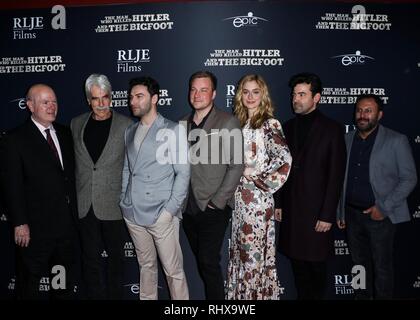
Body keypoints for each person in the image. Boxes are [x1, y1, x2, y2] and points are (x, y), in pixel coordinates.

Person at [0, 84, 79, 299]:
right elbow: (11, 186)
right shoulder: (15, 139)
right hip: (33, 233)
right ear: (30, 106)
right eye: (45, 102)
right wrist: (20, 223)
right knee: (28, 287)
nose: (51, 106)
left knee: (60, 284)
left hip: (64, 232)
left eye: (54, 101)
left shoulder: (64, 133)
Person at [273, 72, 346, 300]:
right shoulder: (286, 127)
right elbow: (281, 169)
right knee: (298, 269)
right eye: (294, 94)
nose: (296, 99)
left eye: (302, 94)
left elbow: (336, 175)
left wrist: (327, 214)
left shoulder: (332, 129)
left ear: (317, 98)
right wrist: (279, 203)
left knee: (316, 269)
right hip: (293, 212)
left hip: (317, 214)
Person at [337, 94, 417, 299]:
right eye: (359, 110)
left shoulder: (396, 140)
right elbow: (341, 179)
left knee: (382, 267)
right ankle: (361, 298)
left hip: (380, 216)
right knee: (358, 265)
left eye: (368, 111)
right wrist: (340, 212)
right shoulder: (346, 139)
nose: (362, 115)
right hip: (351, 214)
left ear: (379, 115)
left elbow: (409, 178)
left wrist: (383, 207)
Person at [120, 76, 190, 300]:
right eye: (131, 97)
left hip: (161, 214)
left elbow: (183, 173)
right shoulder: (129, 131)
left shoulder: (172, 129)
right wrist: (124, 200)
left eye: (139, 96)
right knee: (146, 267)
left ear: (155, 99)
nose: (133, 101)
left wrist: (169, 211)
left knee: (174, 272)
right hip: (133, 212)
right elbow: (127, 169)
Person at [225, 74, 292, 300]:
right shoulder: (236, 123)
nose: (250, 96)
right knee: (241, 256)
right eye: (246, 92)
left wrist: (256, 176)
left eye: (255, 92)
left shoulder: (269, 124)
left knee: (253, 257)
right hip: (239, 203)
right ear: (240, 95)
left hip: (258, 203)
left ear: (262, 95)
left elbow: (284, 159)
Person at [70, 74, 133, 299]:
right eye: (95, 98)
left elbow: (133, 167)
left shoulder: (127, 126)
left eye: (105, 97)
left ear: (111, 97)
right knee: (90, 260)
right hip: (85, 204)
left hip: (114, 205)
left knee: (116, 261)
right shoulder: (76, 124)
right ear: (88, 100)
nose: (101, 103)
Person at [182, 70, 244, 300]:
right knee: (202, 261)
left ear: (214, 93)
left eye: (203, 89)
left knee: (208, 262)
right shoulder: (181, 123)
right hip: (187, 207)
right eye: (193, 89)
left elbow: (236, 166)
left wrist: (217, 203)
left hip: (213, 207)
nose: (197, 94)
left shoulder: (227, 121)